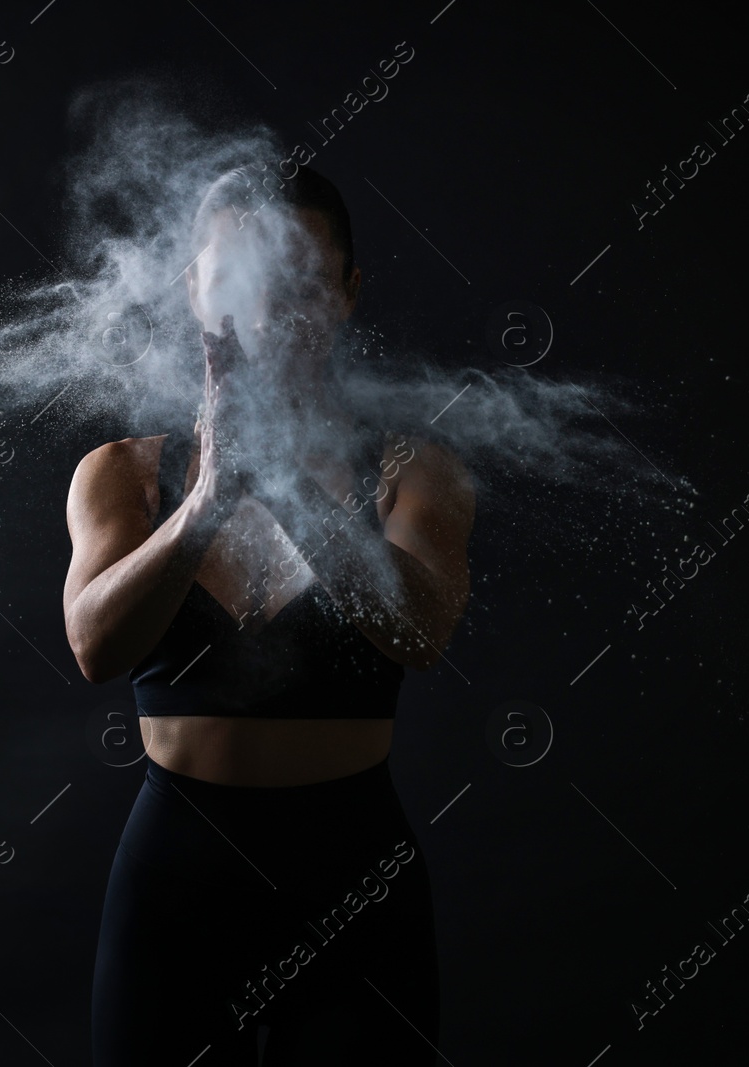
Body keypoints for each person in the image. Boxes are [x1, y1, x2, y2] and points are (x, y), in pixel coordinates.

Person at [64, 163, 475, 1065]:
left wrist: (290, 484)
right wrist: (206, 502)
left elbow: (423, 634)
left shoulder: (415, 468)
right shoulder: (123, 473)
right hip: (174, 876)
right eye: (241, 281)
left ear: (348, 294)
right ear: (194, 290)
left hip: (355, 879)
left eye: (301, 283)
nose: (269, 314)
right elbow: (95, 644)